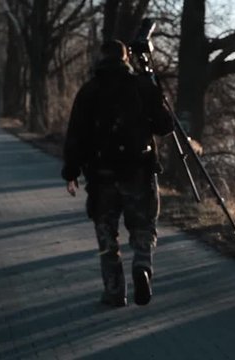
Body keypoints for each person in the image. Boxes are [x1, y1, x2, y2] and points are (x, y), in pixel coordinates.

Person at [62, 40, 174, 307]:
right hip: (139, 171)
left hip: (101, 176)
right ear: (126, 59)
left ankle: (114, 292)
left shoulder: (89, 91)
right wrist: (156, 92)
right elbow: (165, 125)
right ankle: (142, 265)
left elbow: (76, 135)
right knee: (143, 226)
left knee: (106, 234)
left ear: (100, 59)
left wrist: (71, 171)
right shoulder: (142, 87)